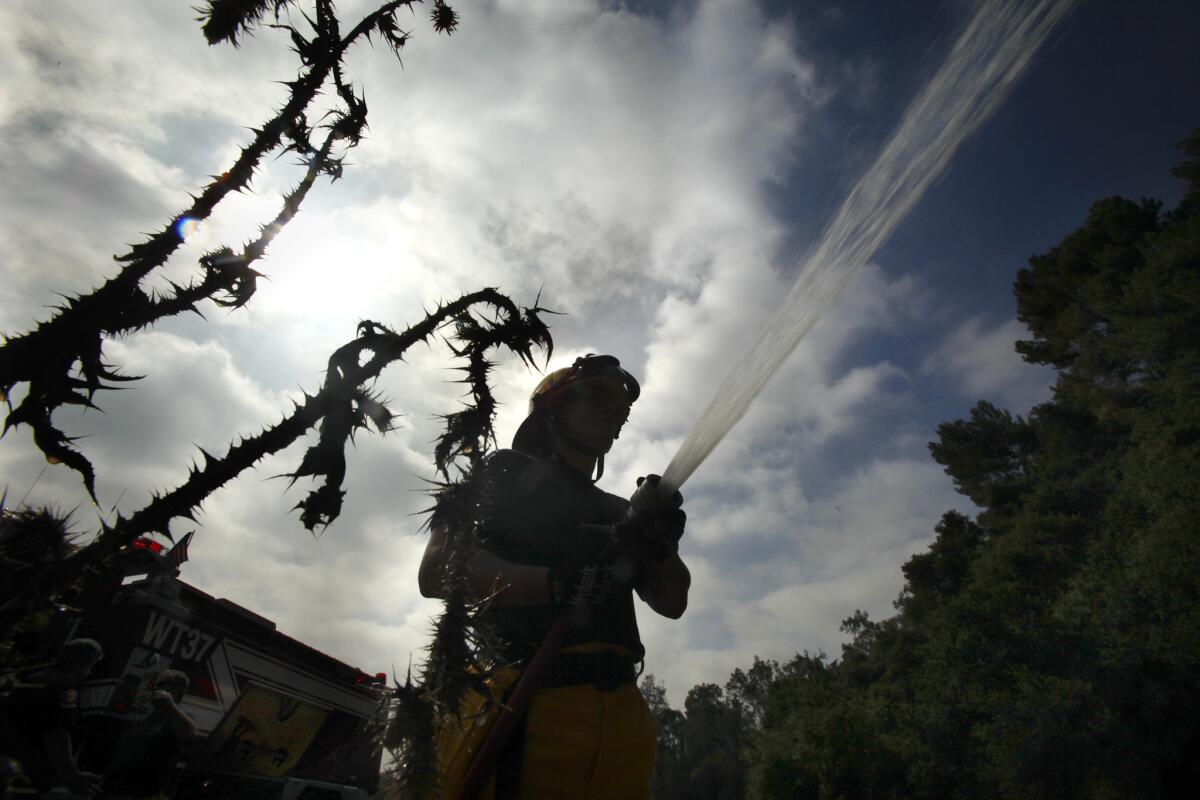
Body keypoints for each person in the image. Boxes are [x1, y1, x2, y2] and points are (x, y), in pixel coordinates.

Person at [419, 354, 691, 799]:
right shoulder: (501, 472)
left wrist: (662, 549)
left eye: (622, 410)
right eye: (599, 397)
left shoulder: (621, 510)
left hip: (624, 720)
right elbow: (437, 570)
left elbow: (673, 603)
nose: (614, 413)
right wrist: (555, 584)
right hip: (526, 702)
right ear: (552, 406)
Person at [0, 638, 104, 797]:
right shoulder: (66, 686)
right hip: (27, 767)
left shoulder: (36, 676)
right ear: (81, 663)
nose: (89, 672)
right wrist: (70, 774)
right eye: (91, 665)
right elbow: (56, 734)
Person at [102, 669, 197, 800]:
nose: (156, 688)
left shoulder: (179, 716)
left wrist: (170, 705)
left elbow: (189, 734)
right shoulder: (149, 717)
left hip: (142, 793)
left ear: (178, 690)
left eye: (162, 684)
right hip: (114, 788)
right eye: (156, 684)